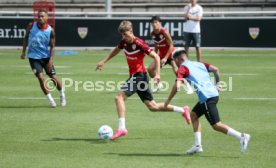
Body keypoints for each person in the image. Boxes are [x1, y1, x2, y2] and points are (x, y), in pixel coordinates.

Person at [96, 20, 191, 140]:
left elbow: (156, 56)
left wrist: (157, 75)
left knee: (119, 97)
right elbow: (116, 50)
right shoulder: (124, 42)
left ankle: (121, 128)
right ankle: (183, 110)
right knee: (153, 107)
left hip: (139, 76)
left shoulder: (140, 43)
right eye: (122, 35)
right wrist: (104, 61)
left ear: (131, 31)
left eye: (125, 34)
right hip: (137, 77)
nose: (124, 37)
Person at [165, 50, 250, 154]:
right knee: (193, 115)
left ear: (180, 59)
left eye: (176, 61)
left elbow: (177, 86)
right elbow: (215, 69)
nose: (176, 64)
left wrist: (167, 101)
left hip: (207, 98)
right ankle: (197, 145)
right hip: (212, 95)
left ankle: (242, 136)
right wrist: (218, 84)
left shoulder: (183, 68)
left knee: (216, 125)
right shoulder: (199, 63)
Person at [20, 10, 66, 108]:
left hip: (46, 58)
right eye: (38, 16)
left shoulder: (50, 30)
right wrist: (23, 52)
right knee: (41, 78)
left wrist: (50, 60)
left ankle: (62, 94)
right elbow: (26, 37)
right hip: (33, 58)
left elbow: (52, 46)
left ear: (46, 18)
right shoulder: (31, 26)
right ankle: (51, 100)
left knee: (53, 77)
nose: (40, 18)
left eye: (42, 16)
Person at [148, 16, 178, 92]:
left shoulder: (164, 32)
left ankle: (188, 86)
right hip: (161, 55)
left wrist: (165, 58)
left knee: (177, 71)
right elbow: (156, 45)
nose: (154, 24)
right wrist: (155, 55)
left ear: (160, 23)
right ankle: (159, 85)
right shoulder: (152, 34)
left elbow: (171, 45)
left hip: (170, 54)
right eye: (153, 23)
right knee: (150, 69)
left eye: (156, 22)